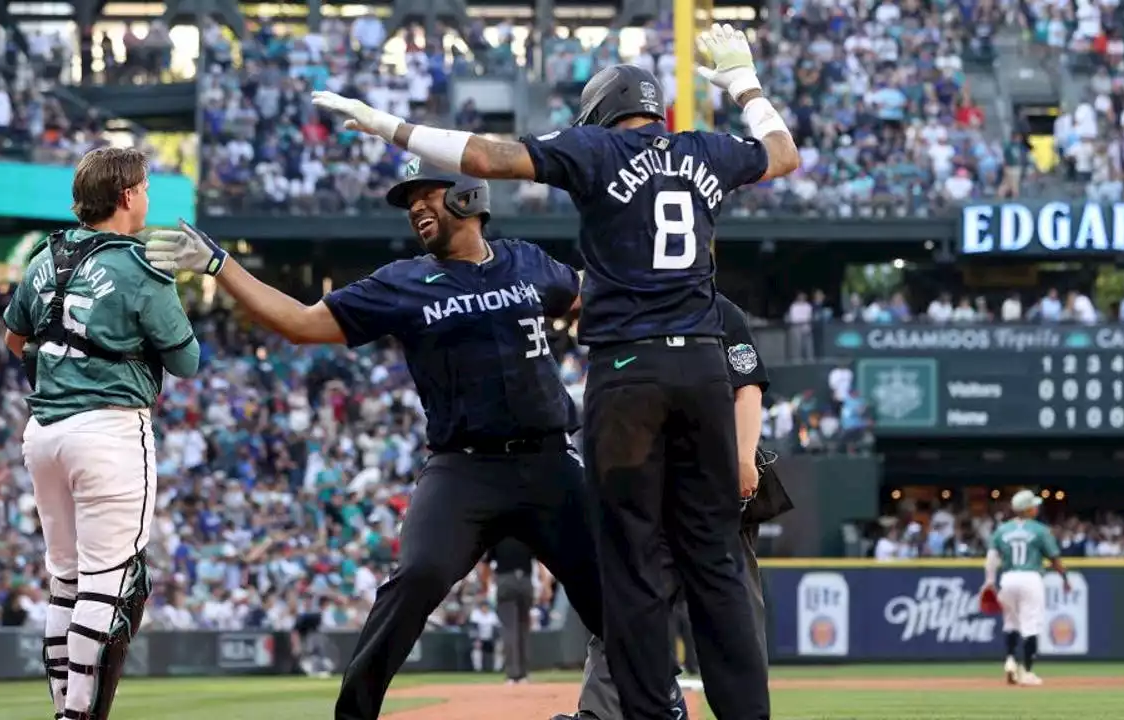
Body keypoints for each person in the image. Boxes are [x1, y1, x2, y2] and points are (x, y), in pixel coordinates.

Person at [310, 23, 797, 720]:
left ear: (600, 113)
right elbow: (783, 154)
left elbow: (487, 156)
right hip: (703, 371)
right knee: (715, 557)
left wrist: (392, 127)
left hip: (630, 372)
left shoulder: (595, 148)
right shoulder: (707, 151)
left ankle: (650, 716)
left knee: (628, 561)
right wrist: (744, 84)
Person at [143, 168, 688, 720]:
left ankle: (659, 707)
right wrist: (221, 266)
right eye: (410, 205)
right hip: (462, 470)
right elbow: (303, 324)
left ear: (469, 197)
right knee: (418, 576)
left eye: (428, 197)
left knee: (617, 598)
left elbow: (593, 301)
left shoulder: (527, 261)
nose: (417, 210)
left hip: (549, 461)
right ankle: (353, 714)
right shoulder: (402, 281)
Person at [1, 146, 201, 720]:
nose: (146, 197)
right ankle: (79, 714)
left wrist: (63, 369)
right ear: (127, 196)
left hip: (42, 432)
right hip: (108, 430)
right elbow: (187, 361)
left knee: (65, 581)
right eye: (144, 188)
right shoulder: (138, 265)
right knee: (108, 581)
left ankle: (62, 706)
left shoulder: (44, 257)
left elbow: (15, 340)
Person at [563, 292, 794, 720]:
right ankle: (599, 713)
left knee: (734, 610)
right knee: (630, 601)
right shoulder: (626, 304)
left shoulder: (721, 311)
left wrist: (745, 456)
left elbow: (748, 388)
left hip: (712, 486)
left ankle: (744, 711)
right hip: (648, 486)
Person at [984, 489, 1071, 687]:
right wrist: (1065, 577)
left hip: (1008, 578)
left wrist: (989, 581)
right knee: (1031, 625)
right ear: (1029, 509)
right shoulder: (1040, 530)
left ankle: (1010, 660)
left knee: (1011, 623)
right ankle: (1028, 672)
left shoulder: (1001, 530)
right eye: (1034, 505)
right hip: (1030, 578)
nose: (1037, 508)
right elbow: (1054, 559)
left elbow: (991, 559)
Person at [480, 537, 541, 684]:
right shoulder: (527, 534)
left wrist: (485, 585)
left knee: (509, 629)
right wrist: (544, 584)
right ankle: (525, 674)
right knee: (524, 629)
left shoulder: (498, 536)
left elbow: (485, 564)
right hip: (526, 581)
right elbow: (540, 562)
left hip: (505, 581)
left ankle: (513, 675)